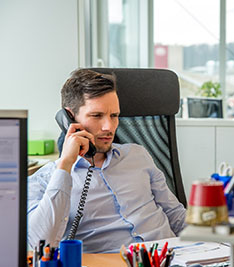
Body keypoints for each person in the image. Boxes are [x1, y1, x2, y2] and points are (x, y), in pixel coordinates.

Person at [27, 69, 186, 253]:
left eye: (114, 116)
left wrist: (215, 247)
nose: (109, 127)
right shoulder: (43, 181)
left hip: (172, 258)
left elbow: (175, 214)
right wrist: (65, 166)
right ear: (70, 118)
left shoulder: (138, 155)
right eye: (97, 116)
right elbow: (39, 244)